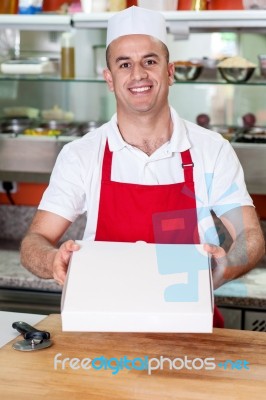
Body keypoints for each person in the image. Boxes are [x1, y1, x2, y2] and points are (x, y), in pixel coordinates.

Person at [20, 6, 264, 327]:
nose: (138, 74)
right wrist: (52, 260)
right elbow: (34, 240)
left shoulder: (211, 149)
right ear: (109, 78)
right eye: (125, 64)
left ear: (170, 71)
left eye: (150, 61)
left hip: (189, 323)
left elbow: (249, 234)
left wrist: (227, 266)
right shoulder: (82, 154)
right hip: (102, 324)